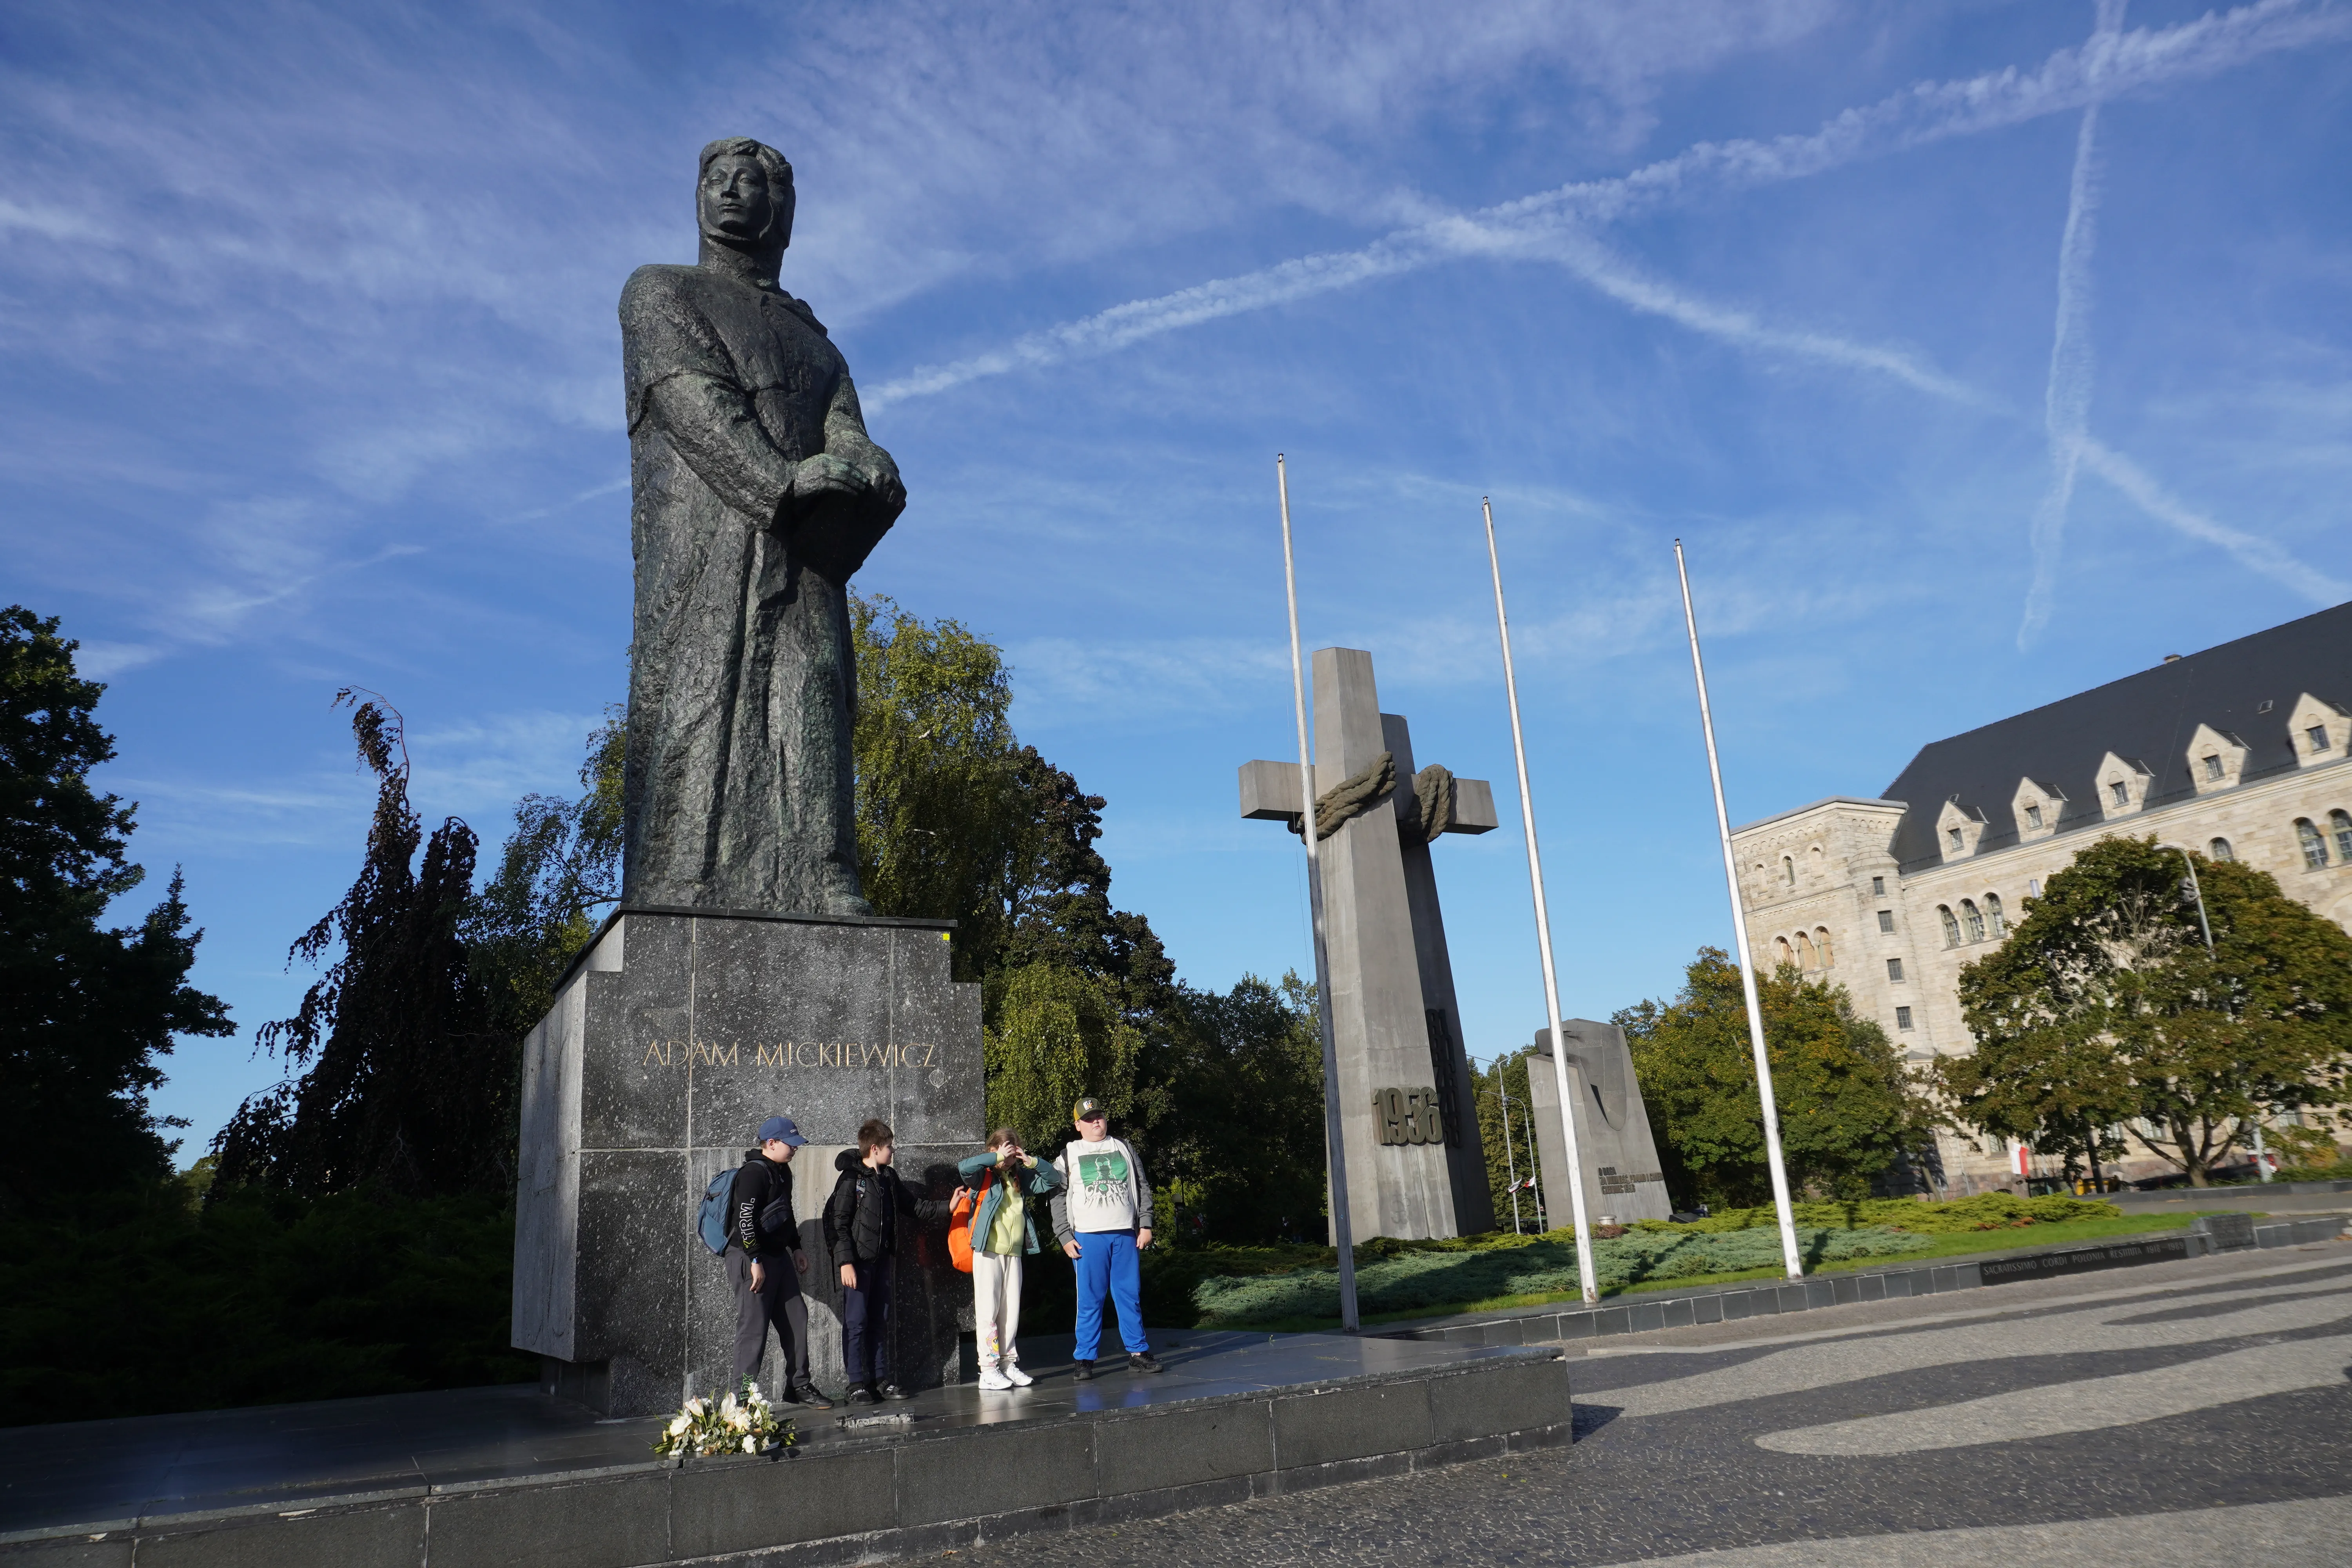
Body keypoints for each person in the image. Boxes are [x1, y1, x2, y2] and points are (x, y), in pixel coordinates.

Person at [823, 1118, 955, 1403]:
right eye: (889, 1147)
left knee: (881, 1321)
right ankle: (856, 1383)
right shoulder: (850, 1179)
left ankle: (881, 1379)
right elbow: (839, 1223)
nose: (892, 1151)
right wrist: (845, 1262)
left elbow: (915, 1206)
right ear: (874, 1148)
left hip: (883, 1261)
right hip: (857, 1264)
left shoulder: (888, 1178)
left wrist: (949, 1207)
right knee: (856, 1322)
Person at [1049, 1098, 1164, 1380]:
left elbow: (1142, 1185)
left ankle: (1138, 1353)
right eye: (1088, 1119)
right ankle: (1085, 1358)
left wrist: (1146, 1224)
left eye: (1099, 1116)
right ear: (1078, 1125)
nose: (1096, 1122)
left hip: (1125, 1233)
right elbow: (1056, 1198)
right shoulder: (1068, 1155)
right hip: (1088, 1238)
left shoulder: (1123, 1147)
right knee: (1090, 1300)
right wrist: (1064, 1236)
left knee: (1129, 1296)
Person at [727, 1114, 833, 1408]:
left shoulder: (782, 1172)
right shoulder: (753, 1174)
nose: (795, 1149)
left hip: (777, 1257)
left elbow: (784, 1214)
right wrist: (755, 1260)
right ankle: (742, 1399)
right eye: (791, 1144)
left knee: (797, 1317)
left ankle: (798, 1386)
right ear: (771, 1143)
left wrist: (796, 1247)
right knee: (754, 1330)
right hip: (752, 1259)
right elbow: (745, 1220)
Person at [956, 1127, 1064, 1390]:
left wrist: (1031, 1161)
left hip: (1013, 1253)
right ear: (992, 1150)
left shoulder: (1019, 1177)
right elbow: (964, 1167)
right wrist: (996, 1158)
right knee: (988, 1312)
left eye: (1012, 1150)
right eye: (1004, 1149)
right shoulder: (984, 1175)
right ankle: (989, 1369)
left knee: (1010, 1313)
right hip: (988, 1252)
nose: (1009, 1156)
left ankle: (1007, 1363)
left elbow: (1053, 1180)